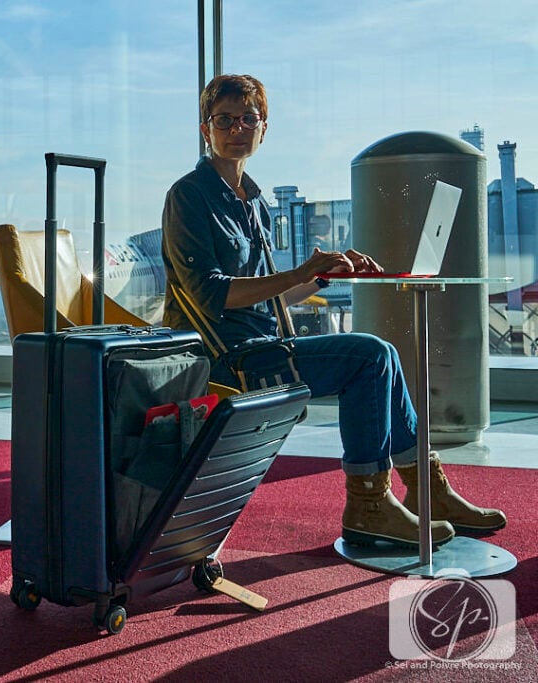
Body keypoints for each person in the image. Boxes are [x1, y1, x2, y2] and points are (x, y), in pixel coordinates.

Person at [161, 73, 506, 547]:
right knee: (370, 356)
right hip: (225, 360)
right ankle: (368, 504)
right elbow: (211, 296)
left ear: (264, 128)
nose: (237, 128)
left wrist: (326, 277)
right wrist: (301, 268)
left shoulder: (254, 203)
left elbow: (272, 299)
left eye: (249, 119)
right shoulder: (189, 197)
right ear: (206, 129)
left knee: (378, 352)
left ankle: (427, 492)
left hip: (264, 344)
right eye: (225, 120)